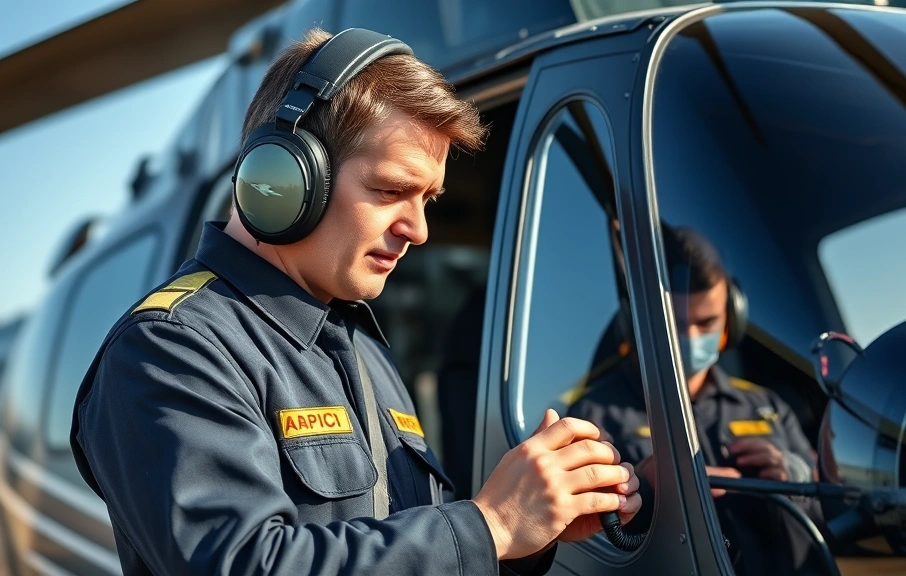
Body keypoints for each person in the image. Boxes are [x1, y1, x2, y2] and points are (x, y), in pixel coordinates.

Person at [70, 27, 640, 576]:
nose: (417, 230)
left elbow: (398, 544)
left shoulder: (359, 344)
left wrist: (525, 536)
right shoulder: (171, 348)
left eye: (427, 199)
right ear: (286, 178)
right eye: (390, 191)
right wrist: (488, 526)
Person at [567, 226, 819, 575]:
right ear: (639, 319)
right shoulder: (591, 417)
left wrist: (796, 478)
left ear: (732, 317)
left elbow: (831, 520)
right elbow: (580, 548)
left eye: (707, 322)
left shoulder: (768, 406)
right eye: (676, 323)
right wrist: (645, 488)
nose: (692, 337)